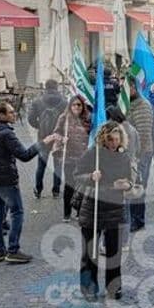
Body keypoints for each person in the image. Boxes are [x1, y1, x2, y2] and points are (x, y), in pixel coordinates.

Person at [0, 101, 57, 264]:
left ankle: (0, 251)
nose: (14, 114)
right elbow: (24, 155)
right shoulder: (6, 133)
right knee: (17, 212)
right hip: (5, 179)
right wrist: (43, 142)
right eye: (10, 112)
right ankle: (13, 250)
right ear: (1, 115)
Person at [74, 121, 134, 300]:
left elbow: (131, 178)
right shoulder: (93, 153)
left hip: (115, 207)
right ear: (103, 138)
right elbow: (77, 175)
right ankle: (89, 287)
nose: (113, 143)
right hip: (93, 206)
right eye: (110, 140)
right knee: (90, 253)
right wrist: (91, 176)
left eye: (116, 139)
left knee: (114, 252)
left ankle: (114, 286)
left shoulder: (124, 156)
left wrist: (127, 184)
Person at [52, 94, 91, 222]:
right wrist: (61, 138)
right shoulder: (64, 117)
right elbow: (56, 132)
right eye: (73, 104)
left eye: (79, 104)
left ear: (83, 106)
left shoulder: (88, 118)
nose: (76, 107)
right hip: (69, 157)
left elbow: (93, 134)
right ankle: (67, 213)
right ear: (70, 106)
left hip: (84, 158)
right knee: (69, 186)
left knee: (82, 186)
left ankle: (80, 212)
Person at [27, 79, 68, 199]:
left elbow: (30, 119)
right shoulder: (64, 102)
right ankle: (56, 190)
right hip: (58, 137)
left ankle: (38, 190)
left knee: (41, 165)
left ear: (45, 87)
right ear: (57, 87)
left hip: (43, 137)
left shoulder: (37, 101)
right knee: (58, 165)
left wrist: (39, 126)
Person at [125, 82, 153, 232]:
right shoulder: (127, 103)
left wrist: (137, 155)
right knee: (131, 185)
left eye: (128, 86)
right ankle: (132, 217)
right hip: (128, 153)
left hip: (140, 153)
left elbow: (143, 132)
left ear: (134, 88)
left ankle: (138, 220)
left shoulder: (142, 105)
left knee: (138, 186)